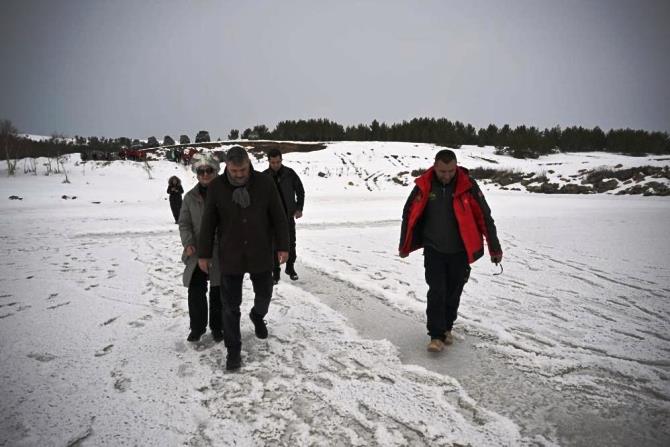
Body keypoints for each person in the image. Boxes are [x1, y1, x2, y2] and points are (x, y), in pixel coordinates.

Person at [399, 149, 503, 353]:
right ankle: (436, 335)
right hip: (433, 249)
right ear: (435, 167)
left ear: (456, 167)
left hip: (460, 251)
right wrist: (404, 246)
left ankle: (447, 327)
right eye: (442, 171)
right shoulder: (424, 185)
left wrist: (494, 248)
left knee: (454, 291)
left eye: (451, 171)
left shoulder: (468, 186)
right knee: (437, 290)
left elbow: (484, 216)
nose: (447, 175)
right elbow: (408, 213)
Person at [198, 146, 289, 371]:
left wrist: (283, 247)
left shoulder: (264, 183)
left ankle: (257, 316)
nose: (239, 174)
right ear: (227, 166)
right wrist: (204, 253)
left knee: (265, 294)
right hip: (231, 255)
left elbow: (278, 216)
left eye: (243, 169)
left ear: (249, 163)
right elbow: (208, 222)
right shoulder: (217, 187)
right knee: (230, 307)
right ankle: (234, 351)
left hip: (260, 252)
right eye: (234, 170)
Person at [178, 153, 223, 343]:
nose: (205, 174)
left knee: (218, 292)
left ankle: (218, 327)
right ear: (197, 173)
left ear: (215, 172)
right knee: (196, 290)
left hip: (219, 251)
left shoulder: (225, 194)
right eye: (201, 171)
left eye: (209, 170)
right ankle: (197, 327)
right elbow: (184, 223)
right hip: (197, 252)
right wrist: (188, 243)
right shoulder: (189, 197)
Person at [263, 148, 305, 283]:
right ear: (268, 161)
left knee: (291, 244)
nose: (275, 165)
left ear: (281, 160)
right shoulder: (264, 177)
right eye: (273, 162)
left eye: (278, 162)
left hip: (288, 216)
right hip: (271, 219)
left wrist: (299, 208)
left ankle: (290, 268)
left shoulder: (289, 173)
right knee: (274, 246)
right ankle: (275, 273)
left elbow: (300, 191)